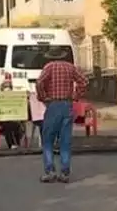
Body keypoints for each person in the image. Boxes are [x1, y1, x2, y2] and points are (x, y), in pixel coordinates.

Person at [34, 47, 87, 183]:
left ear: (50, 56)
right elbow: (84, 81)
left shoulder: (49, 67)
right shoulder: (70, 67)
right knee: (65, 140)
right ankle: (65, 172)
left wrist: (43, 97)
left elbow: (39, 82)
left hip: (53, 105)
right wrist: (75, 96)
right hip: (67, 105)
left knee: (48, 140)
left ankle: (50, 171)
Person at [0, 79, 25, 149]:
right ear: (2, 88)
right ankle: (11, 144)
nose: (7, 88)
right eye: (5, 86)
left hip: (15, 119)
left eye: (9, 86)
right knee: (7, 125)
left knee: (16, 125)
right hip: (3, 120)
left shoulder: (15, 97)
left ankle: (16, 143)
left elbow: (20, 107)